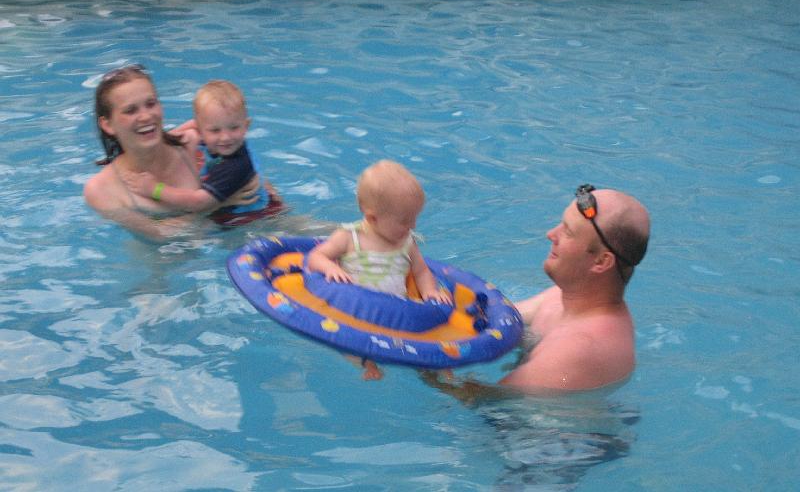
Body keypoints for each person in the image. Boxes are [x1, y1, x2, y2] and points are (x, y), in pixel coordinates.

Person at [426, 185, 650, 397]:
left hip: (556, 435)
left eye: (568, 232)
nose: (551, 234)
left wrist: (425, 364)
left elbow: (480, 398)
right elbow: (494, 321)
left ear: (601, 261)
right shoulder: (562, 297)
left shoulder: (580, 348)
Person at [307, 160, 453, 380]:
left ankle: (435, 371)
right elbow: (315, 257)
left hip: (398, 316)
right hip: (356, 314)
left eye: (415, 218)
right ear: (372, 218)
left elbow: (421, 272)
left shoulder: (407, 242)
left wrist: (430, 292)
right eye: (405, 221)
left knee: (425, 350)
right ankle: (367, 364)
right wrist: (329, 268)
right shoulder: (349, 238)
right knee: (347, 343)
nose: (413, 226)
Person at [83, 65, 255, 240]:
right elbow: (159, 234)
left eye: (151, 104)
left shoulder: (195, 144)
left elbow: (254, 183)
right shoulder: (101, 189)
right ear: (107, 125)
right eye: (131, 110)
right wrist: (219, 203)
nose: (146, 116)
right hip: (163, 261)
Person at [118, 79, 285, 227]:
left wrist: (154, 189)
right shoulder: (204, 132)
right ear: (200, 128)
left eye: (234, 128)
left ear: (246, 126)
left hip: (250, 219)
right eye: (215, 130)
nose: (225, 137)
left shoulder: (236, 164)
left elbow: (198, 202)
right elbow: (183, 130)